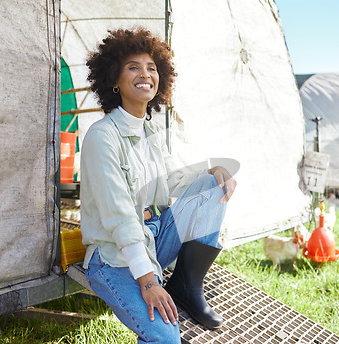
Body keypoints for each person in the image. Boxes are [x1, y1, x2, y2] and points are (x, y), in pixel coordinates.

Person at [80, 27, 236, 344]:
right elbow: (120, 217)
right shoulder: (102, 137)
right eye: (133, 67)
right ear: (114, 79)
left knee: (210, 185)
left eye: (152, 67)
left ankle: (187, 285)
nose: (145, 74)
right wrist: (149, 282)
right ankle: (162, 289)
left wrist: (212, 171)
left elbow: (171, 180)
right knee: (165, 338)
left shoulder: (150, 134)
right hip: (114, 257)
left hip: (153, 239)